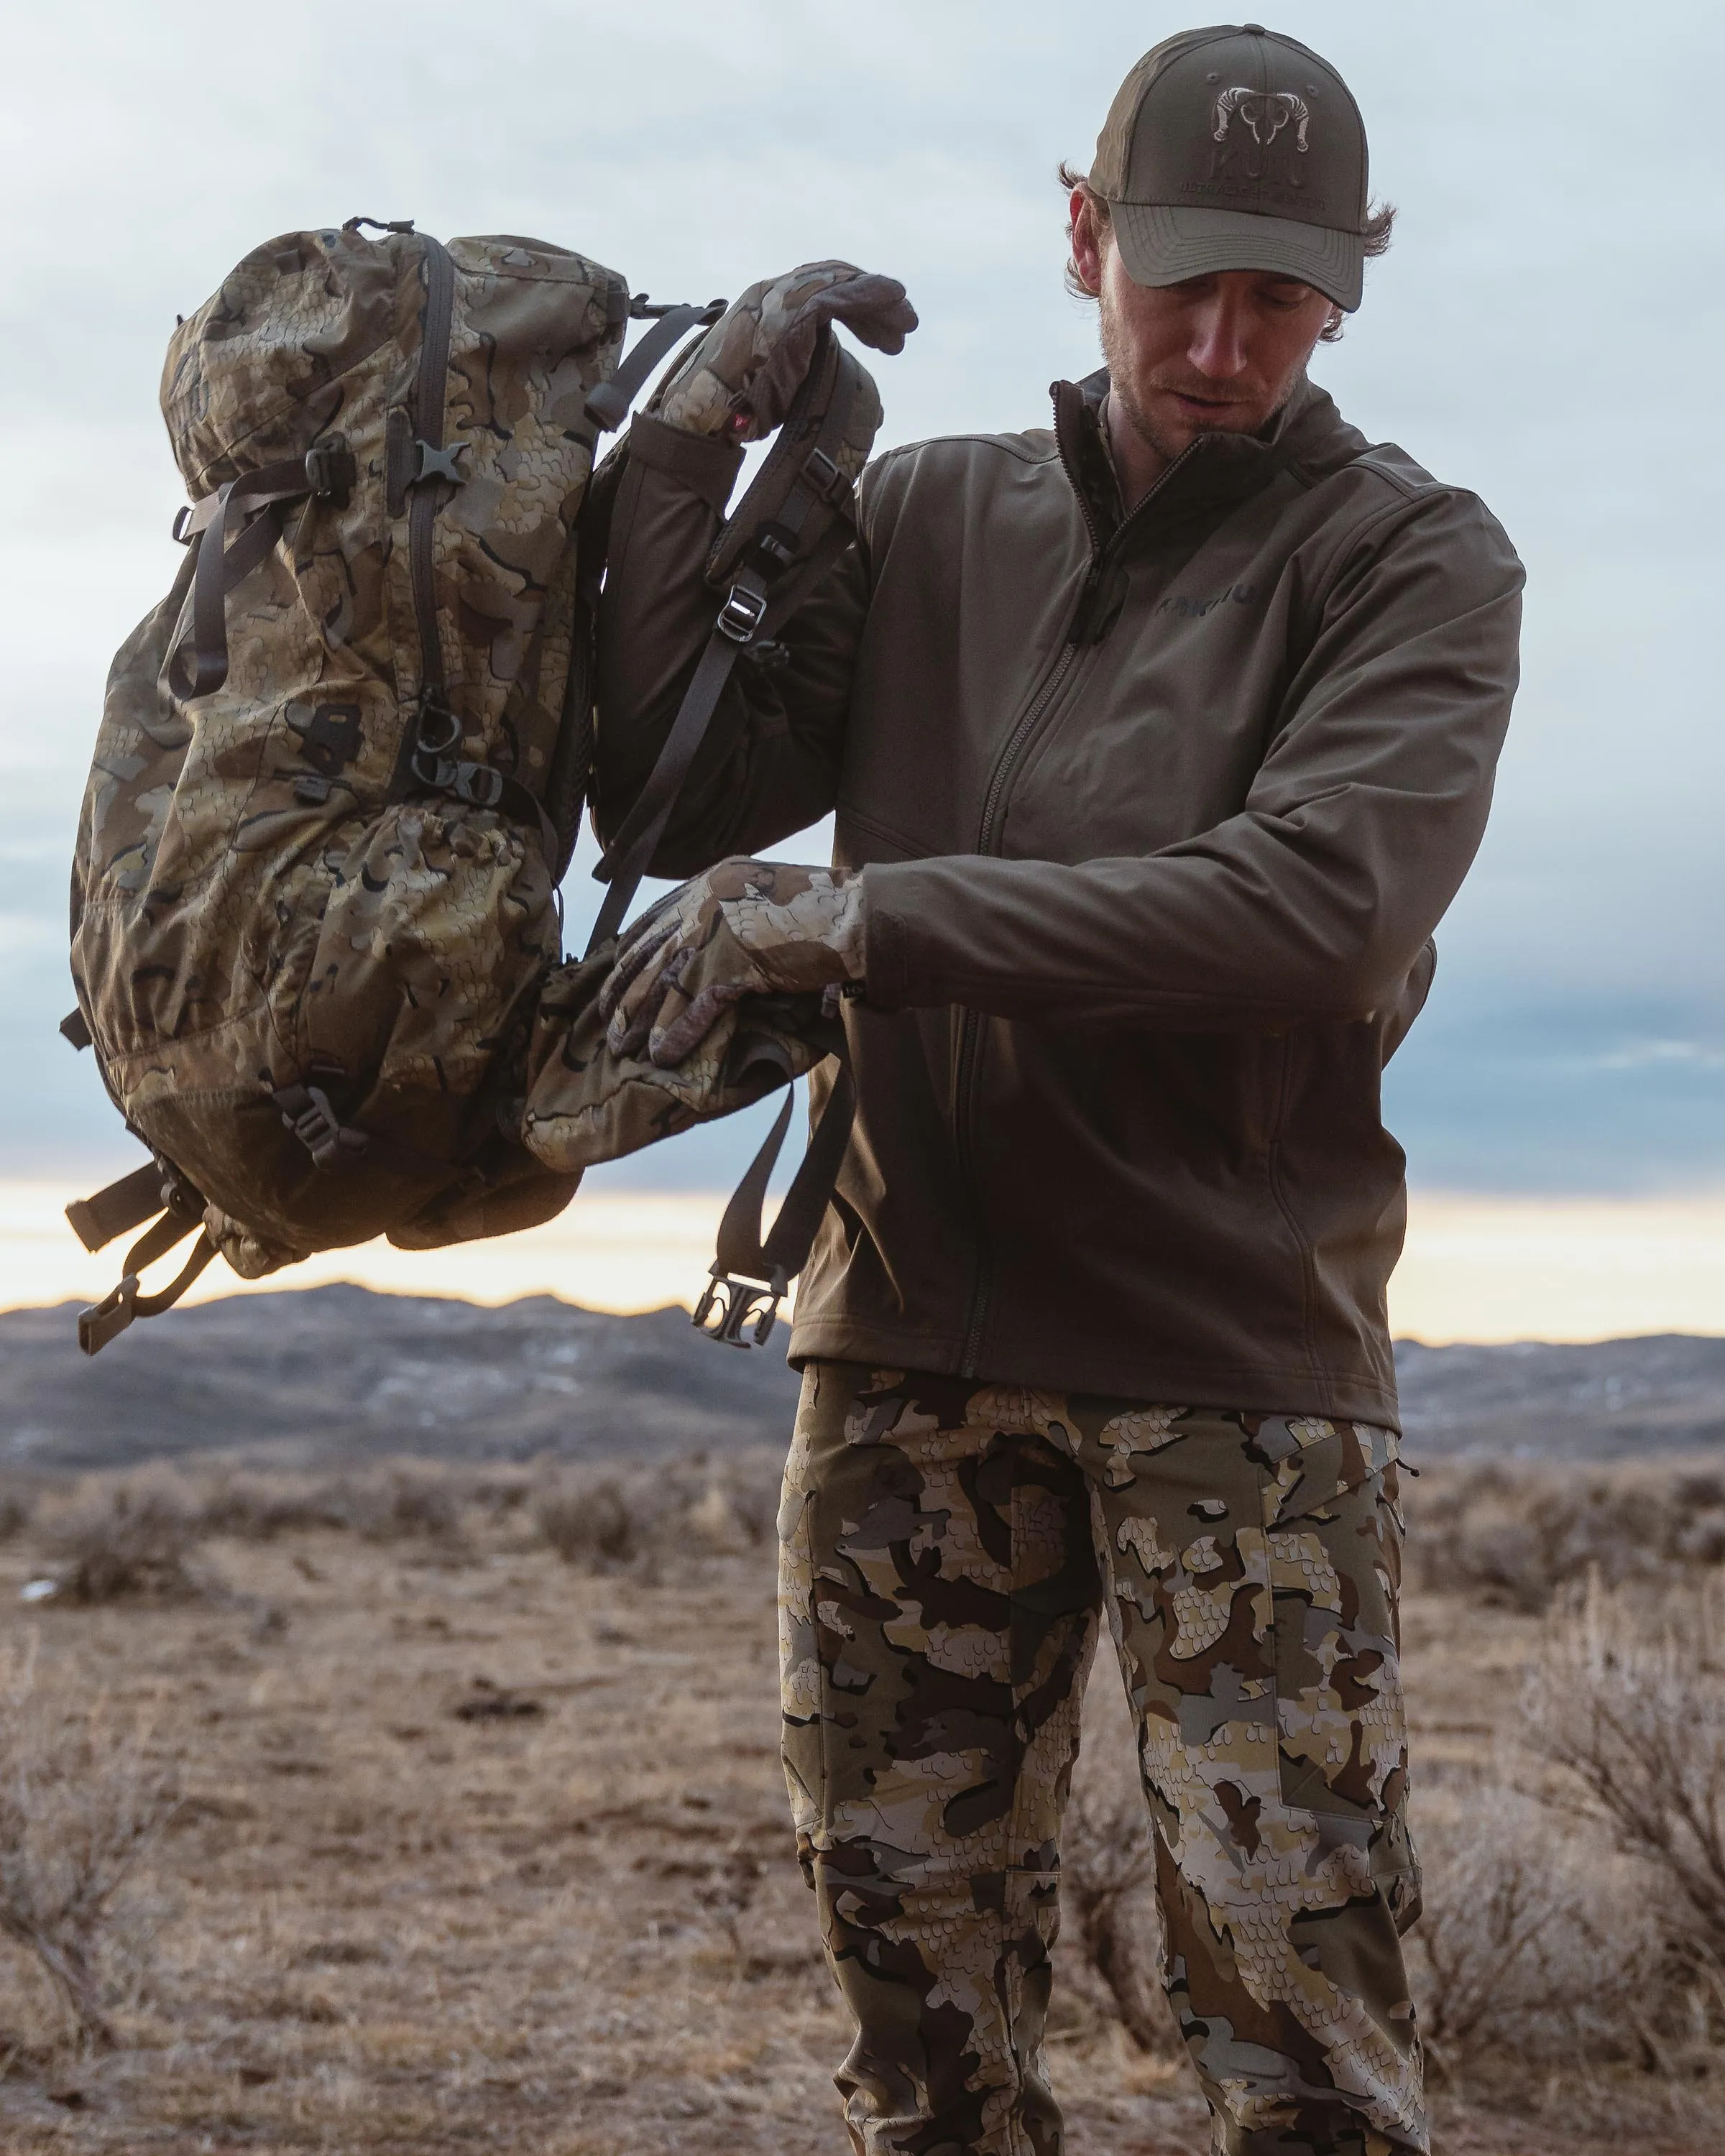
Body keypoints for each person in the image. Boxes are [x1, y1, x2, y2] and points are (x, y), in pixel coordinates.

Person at [592, 24, 1522, 2155]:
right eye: (1179, 279)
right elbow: (677, 787)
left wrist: (864, 923)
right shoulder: (931, 513)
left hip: (1240, 1377)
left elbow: (1309, 913)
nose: (1220, 343)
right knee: (920, 2038)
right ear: (1083, 237)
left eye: (1280, 298)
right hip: (908, 1343)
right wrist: (692, 449)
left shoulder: (1415, 563)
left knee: (1303, 2064)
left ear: (1342, 292)